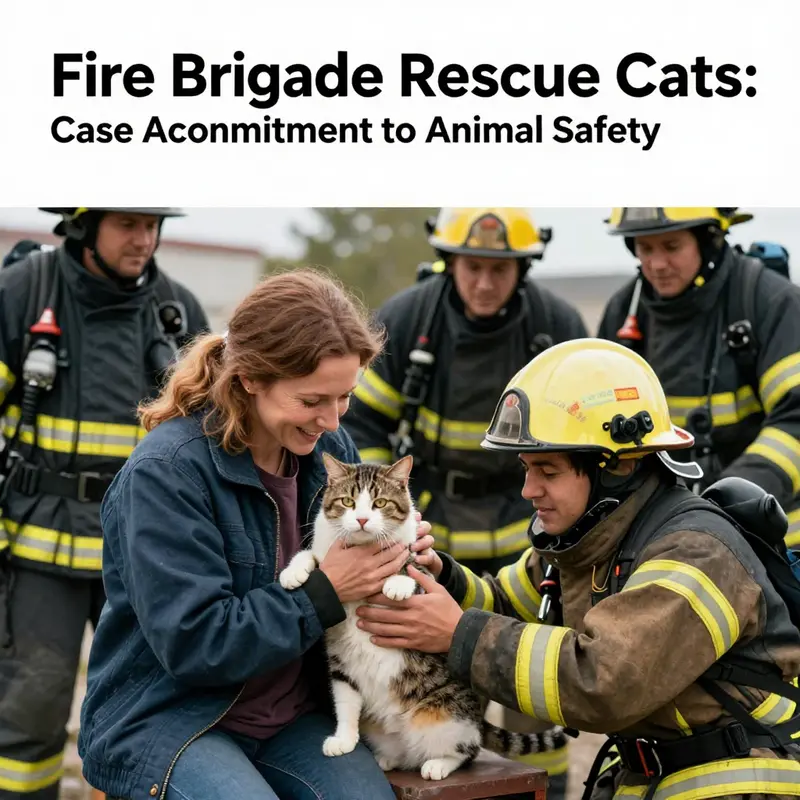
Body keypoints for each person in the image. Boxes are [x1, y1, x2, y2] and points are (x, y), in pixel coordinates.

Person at [356, 338, 800, 800]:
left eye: (548, 471)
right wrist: (437, 576)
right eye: (526, 468)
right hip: (662, 775)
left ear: (618, 466)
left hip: (748, 780)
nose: (528, 489)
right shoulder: (591, 541)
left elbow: (604, 681)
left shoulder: (695, 553)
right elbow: (505, 604)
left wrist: (456, 634)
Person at [77, 268, 433, 800]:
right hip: (170, 720)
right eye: (312, 401)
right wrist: (327, 590)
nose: (332, 422)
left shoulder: (327, 459)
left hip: (295, 714)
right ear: (250, 379)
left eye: (344, 398)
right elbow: (196, 644)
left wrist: (403, 560)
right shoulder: (167, 473)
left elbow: (368, 597)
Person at [342, 207, 588, 790]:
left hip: (528, 537)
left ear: (523, 269)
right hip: (431, 537)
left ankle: (540, 792)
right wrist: (397, 514)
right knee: (428, 686)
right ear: (449, 261)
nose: (483, 281)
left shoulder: (557, 325)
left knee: (532, 689)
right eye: (472, 266)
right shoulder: (406, 319)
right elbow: (364, 430)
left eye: (499, 269)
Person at [0, 207, 209, 800]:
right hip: (40, 548)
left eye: (152, 224)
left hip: (147, 556)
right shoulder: (22, 292)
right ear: (82, 225)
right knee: (29, 711)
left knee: (154, 711)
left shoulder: (178, 312)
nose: (144, 239)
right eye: (126, 224)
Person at [597, 207, 800, 553]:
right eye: (646, 249)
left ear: (708, 240)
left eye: (672, 246)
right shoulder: (624, 315)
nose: (658, 264)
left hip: (775, 540)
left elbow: (795, 417)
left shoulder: (769, 302)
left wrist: (730, 500)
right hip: (670, 541)